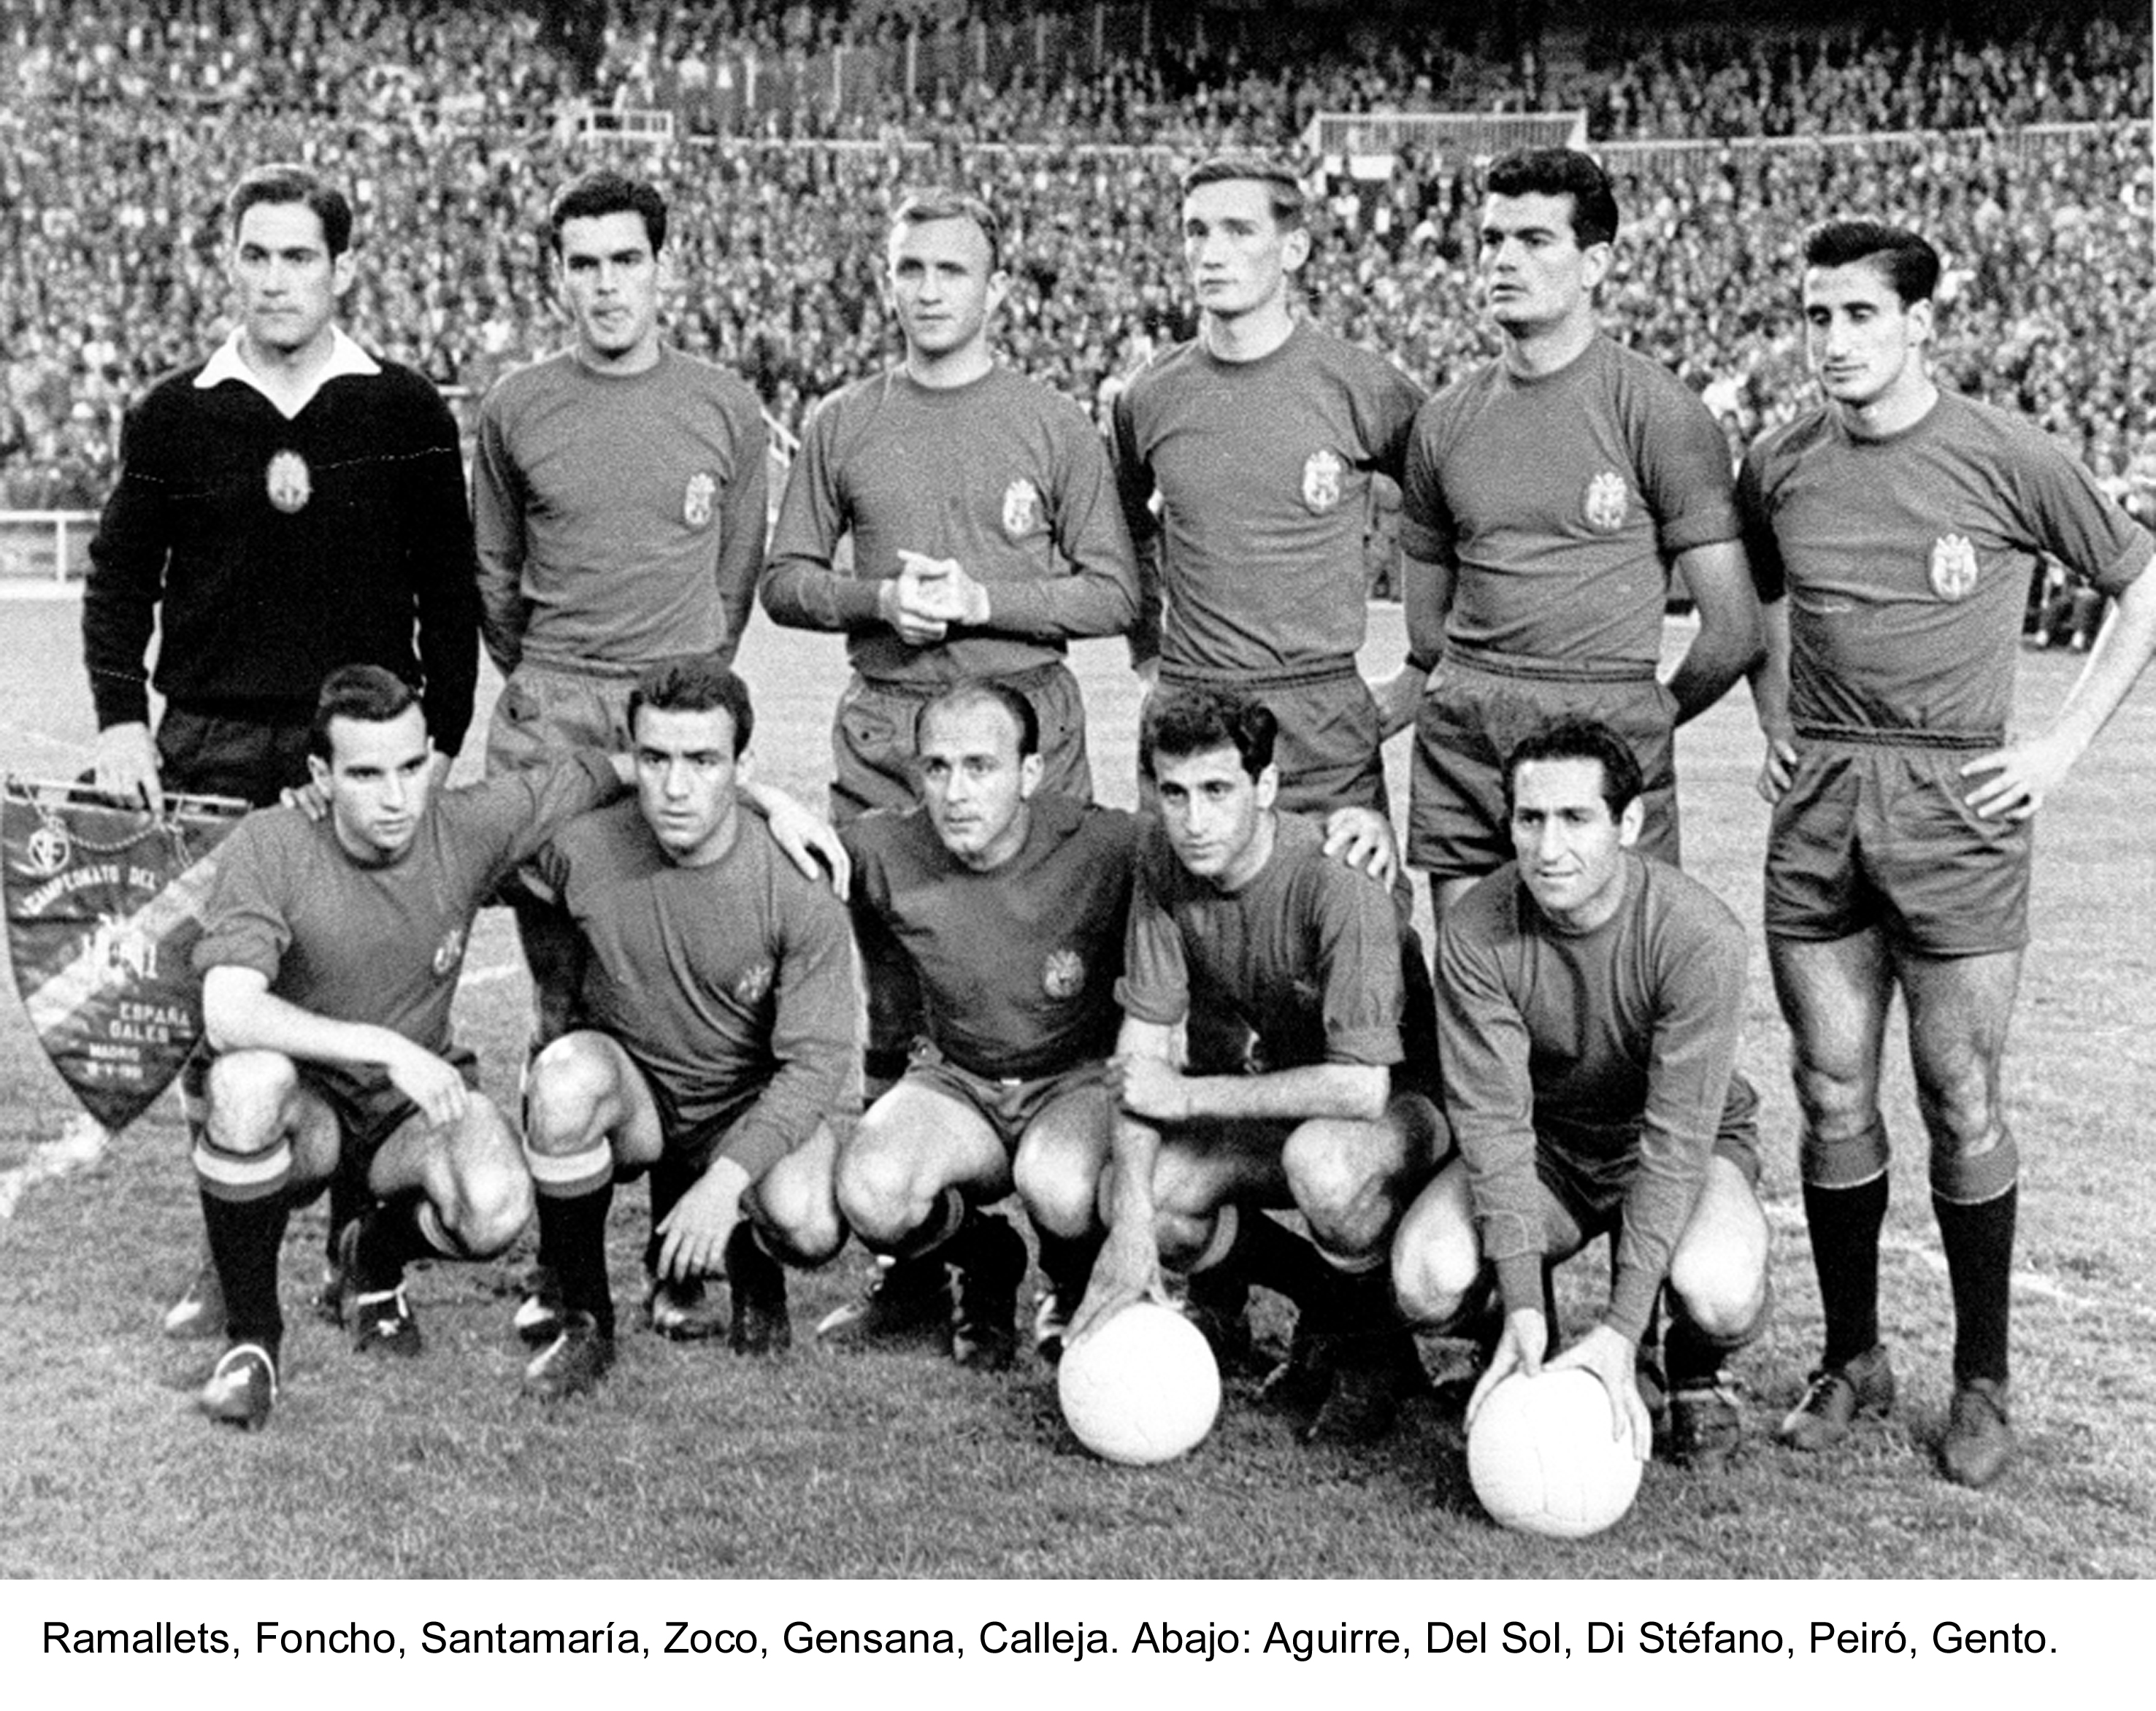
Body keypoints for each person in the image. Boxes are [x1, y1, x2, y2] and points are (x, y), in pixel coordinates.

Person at [1742, 220, 2156, 1488]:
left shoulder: (2003, 453)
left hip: (1956, 801)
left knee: (1958, 1093)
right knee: (1827, 1087)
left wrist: (2057, 749)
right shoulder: (1779, 463)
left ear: (1919, 324)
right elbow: (1754, 593)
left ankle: (1981, 1379)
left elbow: (2142, 581)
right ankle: (1853, 1356)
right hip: (1822, 798)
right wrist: (1773, 716)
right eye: (1815, 316)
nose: (1831, 340)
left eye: (1858, 315)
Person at [83, 161, 480, 1342]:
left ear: (340, 268)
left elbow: (449, 591)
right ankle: (233, 1248)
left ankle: (362, 1249)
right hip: (212, 744)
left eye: (298, 255)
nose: (274, 278)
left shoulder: (404, 410)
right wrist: (120, 716)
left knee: (365, 987)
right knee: (219, 1014)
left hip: (357, 753)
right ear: (230, 262)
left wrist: (440, 741)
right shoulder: (174, 412)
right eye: (254, 254)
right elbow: (119, 577)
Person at [761, 187, 1138, 1094]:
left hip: (1024, 719)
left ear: (996, 288)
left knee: (1050, 975)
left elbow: (1115, 592)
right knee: (890, 981)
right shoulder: (843, 420)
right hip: (890, 727)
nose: (929, 291)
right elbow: (783, 581)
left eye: (952, 271)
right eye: (911, 269)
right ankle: (905, 1174)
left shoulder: (1052, 422)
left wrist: (982, 602)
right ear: (887, 281)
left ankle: (1061, 1150)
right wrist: (878, 600)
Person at [185, 666, 618, 1430]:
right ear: (321, 776)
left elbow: (621, 769)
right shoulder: (272, 842)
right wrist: (383, 1046)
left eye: (412, 767)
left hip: (402, 1117)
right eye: (365, 774)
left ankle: (371, 1255)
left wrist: (765, 802)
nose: (396, 797)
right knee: (246, 1080)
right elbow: (228, 1011)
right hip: (308, 1115)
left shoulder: (466, 824)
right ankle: (252, 1342)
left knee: (495, 1205)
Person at [1390, 718, 1771, 1470]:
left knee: (1719, 1286)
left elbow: (1674, 1140)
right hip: (1550, 1152)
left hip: (1672, 1146)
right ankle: (1521, 1338)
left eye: (1575, 818)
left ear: (1627, 824)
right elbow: (1494, 1125)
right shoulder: (1476, 930)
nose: (1547, 846)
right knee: (1425, 1278)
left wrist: (1623, 1328)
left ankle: (1691, 1365)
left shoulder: (1698, 936)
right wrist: (1523, 1303)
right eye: (1529, 819)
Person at [1071, 687, 1445, 1445]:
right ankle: (1330, 1309)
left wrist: (1187, 1097)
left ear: (1265, 786)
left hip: (1401, 1112)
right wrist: (1132, 1225)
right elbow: (1141, 1057)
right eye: (1174, 793)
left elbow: (1360, 1087)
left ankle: (1374, 1355)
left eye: (1217, 790)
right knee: (1140, 1193)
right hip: (1274, 1106)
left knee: (1325, 1165)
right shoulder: (1162, 862)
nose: (1193, 819)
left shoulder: (1338, 880)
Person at [1397, 147, 1758, 918]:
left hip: (1606, 725)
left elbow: (1732, 629)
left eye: (1534, 240)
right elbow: (1426, 625)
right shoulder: (1444, 420)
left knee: (1608, 973)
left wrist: (1641, 716)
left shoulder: (1658, 411)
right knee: (1472, 963)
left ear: (1595, 263)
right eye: (1492, 239)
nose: (1503, 260)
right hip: (1469, 730)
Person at [472, 168, 770, 1048]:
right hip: (555, 708)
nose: (606, 285)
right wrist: (550, 672)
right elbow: (493, 569)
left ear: (661, 268)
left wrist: (686, 680)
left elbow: (735, 573)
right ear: (557, 276)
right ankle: (556, 1131)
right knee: (558, 991)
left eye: (626, 260)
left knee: (682, 985)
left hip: (674, 705)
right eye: (584, 264)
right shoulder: (516, 406)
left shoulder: (725, 405)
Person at [515, 659, 852, 1396]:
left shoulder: (796, 880)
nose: (674, 787)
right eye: (655, 759)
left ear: (742, 768)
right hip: (640, 1100)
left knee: (812, 1221)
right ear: (631, 760)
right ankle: (586, 1321)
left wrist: (725, 1184)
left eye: (703, 761)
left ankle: (751, 1258)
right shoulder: (581, 847)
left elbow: (816, 1065)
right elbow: (454, 845)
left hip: (740, 1104)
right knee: (562, 1082)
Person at [821, 680, 1140, 1370]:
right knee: (870, 1190)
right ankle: (987, 1256)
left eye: (980, 767)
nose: (955, 793)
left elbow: (1217, 844)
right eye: (937, 768)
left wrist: (1355, 827)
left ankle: (1068, 1281)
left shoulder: (1102, 844)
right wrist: (767, 804)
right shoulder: (885, 847)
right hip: (959, 1082)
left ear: (1030, 772)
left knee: (1060, 1185)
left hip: (1072, 1083)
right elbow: (758, 844)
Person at [1110, 154, 1432, 819]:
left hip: (1320, 717)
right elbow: (1124, 526)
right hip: (1192, 705)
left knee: (1343, 886)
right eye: (1196, 231)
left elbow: (1452, 516)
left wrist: (1420, 670)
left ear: (1294, 249)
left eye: (1238, 230)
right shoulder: (1149, 395)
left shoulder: (1364, 388)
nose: (1210, 253)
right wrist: (1146, 654)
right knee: (1174, 889)